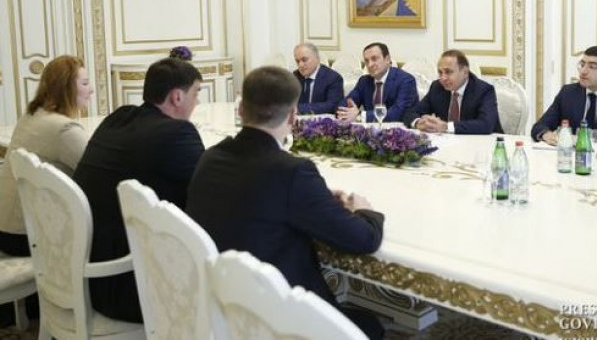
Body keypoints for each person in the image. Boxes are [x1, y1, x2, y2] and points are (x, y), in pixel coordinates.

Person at [186, 66, 385, 339]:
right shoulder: (292, 171)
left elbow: (260, 198)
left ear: (241, 109)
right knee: (371, 325)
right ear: (293, 116)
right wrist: (363, 210)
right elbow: (364, 239)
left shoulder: (210, 157)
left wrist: (318, 198)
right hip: (279, 320)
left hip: (221, 307)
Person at [73, 57, 205, 323]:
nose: (198, 102)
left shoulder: (118, 118)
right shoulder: (177, 133)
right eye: (196, 93)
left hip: (85, 268)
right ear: (177, 97)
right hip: (130, 283)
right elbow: (209, 191)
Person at [0, 56, 93, 256]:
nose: (91, 89)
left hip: (7, 228)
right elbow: (98, 172)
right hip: (27, 236)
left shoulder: (31, 116)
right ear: (66, 88)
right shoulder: (64, 129)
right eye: (85, 83)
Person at [531, 46, 597, 150]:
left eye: (592, 67)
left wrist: (584, 141)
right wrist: (546, 134)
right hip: (571, 158)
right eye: (582, 64)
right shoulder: (568, 93)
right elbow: (540, 126)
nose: (583, 71)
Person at [404, 50, 502, 134]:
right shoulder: (437, 87)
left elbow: (486, 124)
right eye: (440, 72)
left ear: (465, 72)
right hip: (448, 143)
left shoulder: (484, 90)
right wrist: (418, 123)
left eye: (448, 72)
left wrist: (446, 127)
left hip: (487, 144)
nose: (443, 78)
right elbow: (411, 112)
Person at [337, 42, 418, 123]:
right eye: (367, 61)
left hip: (397, 128)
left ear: (387, 59)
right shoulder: (364, 81)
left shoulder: (406, 80)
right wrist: (346, 112)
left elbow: (397, 113)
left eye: (374, 59)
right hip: (369, 128)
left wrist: (360, 115)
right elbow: (343, 104)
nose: (370, 65)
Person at [293, 42, 344, 115]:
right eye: (297, 61)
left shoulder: (333, 78)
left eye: (304, 60)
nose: (300, 65)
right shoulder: (295, 76)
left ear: (317, 59)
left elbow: (332, 106)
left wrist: (298, 108)